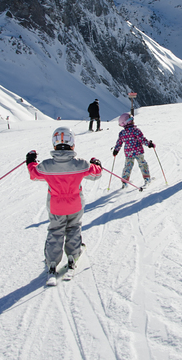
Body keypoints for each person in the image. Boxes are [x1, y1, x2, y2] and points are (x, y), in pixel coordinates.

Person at [26, 127, 102, 282]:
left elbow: (34, 175)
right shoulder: (80, 164)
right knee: (74, 227)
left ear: (54, 144)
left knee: (56, 230)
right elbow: (96, 174)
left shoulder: (46, 166)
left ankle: (53, 262)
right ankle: (73, 256)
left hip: (56, 206)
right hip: (75, 204)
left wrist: (31, 161)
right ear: (72, 144)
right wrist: (96, 163)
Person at [112, 113, 155, 188]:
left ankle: (124, 182)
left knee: (128, 166)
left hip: (128, 153)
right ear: (128, 122)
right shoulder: (136, 130)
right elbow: (142, 139)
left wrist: (116, 150)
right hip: (138, 151)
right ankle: (147, 178)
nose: (133, 120)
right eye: (131, 119)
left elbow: (119, 143)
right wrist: (149, 144)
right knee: (142, 164)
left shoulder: (122, 133)